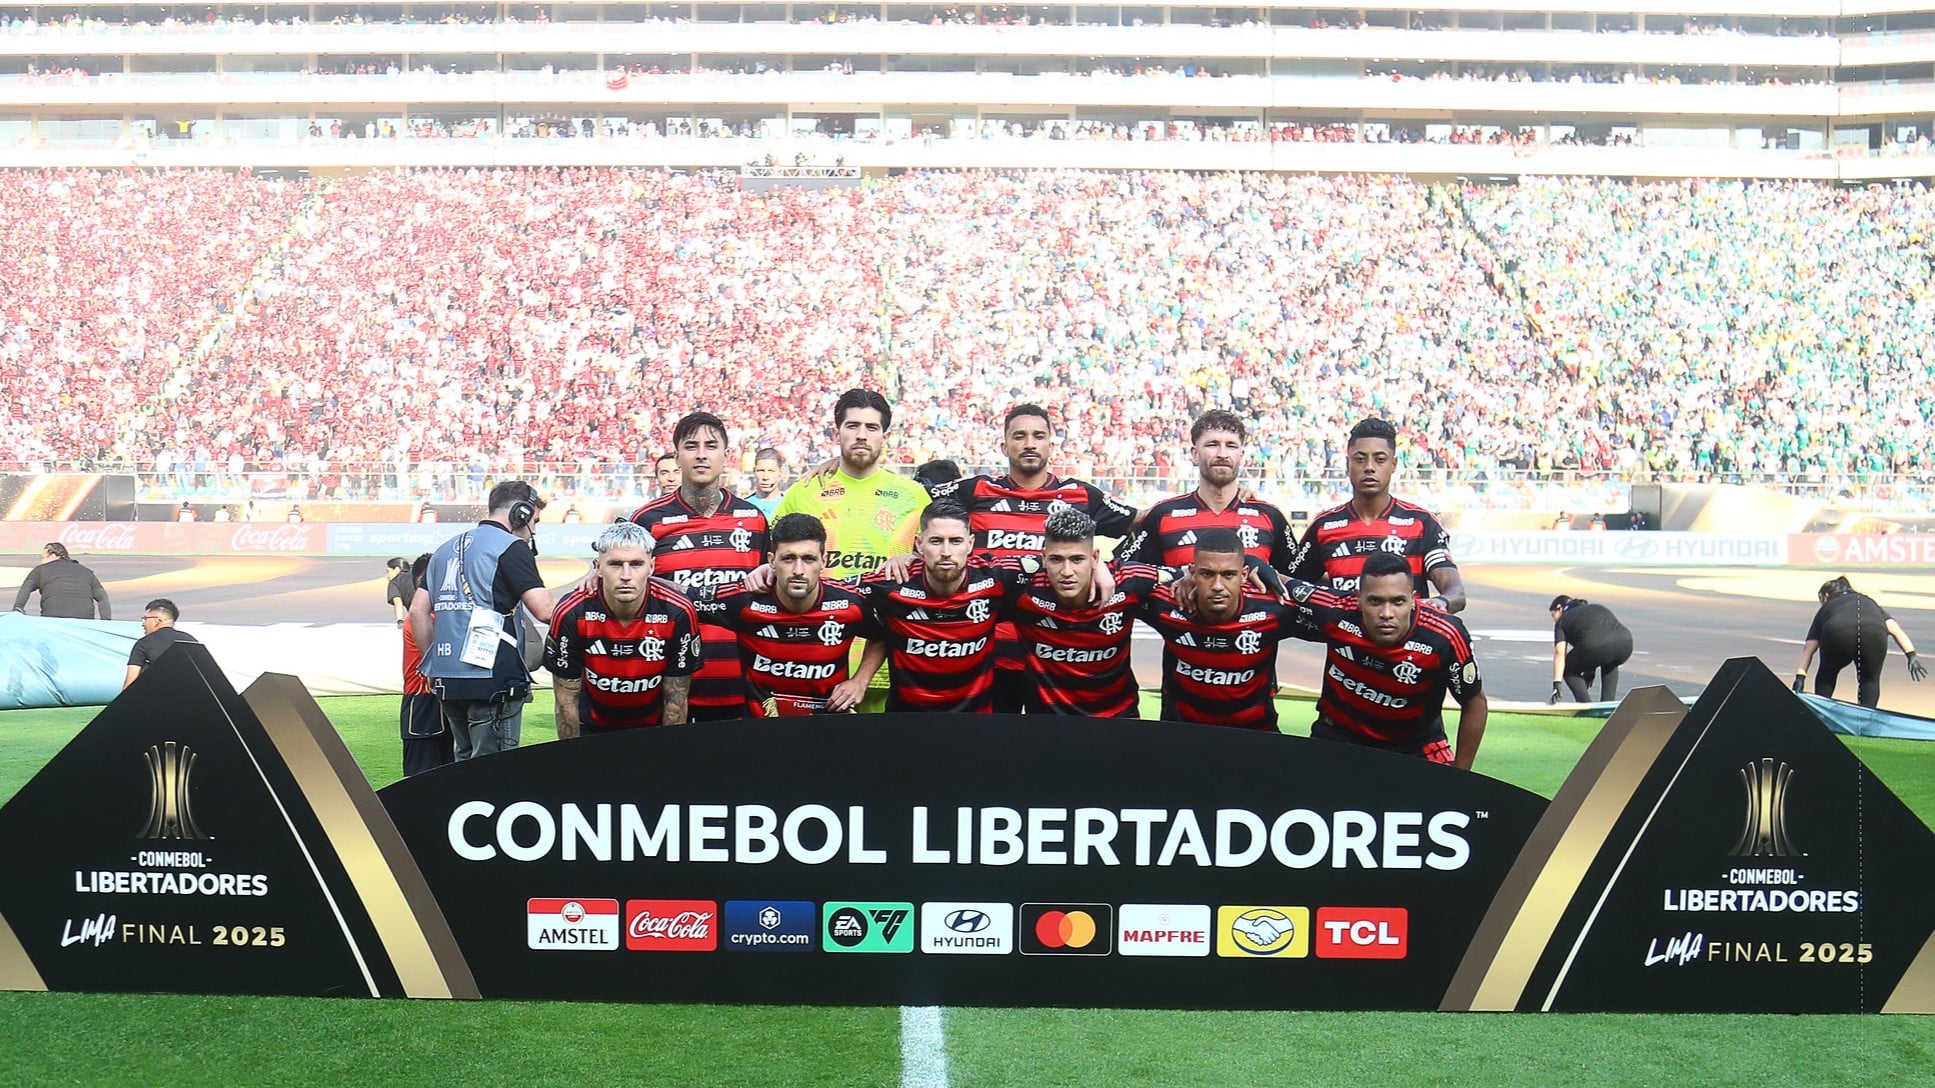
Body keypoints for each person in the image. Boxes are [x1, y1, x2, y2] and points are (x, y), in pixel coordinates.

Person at [926, 404, 1139, 712]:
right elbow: (914, 502)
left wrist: (1105, 564)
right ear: (1004, 445)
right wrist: (907, 554)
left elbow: (1141, 522)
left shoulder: (1081, 495)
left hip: (1054, 655)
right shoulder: (975, 491)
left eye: (1038, 436)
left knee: (1049, 752)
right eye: (1019, 436)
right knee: (994, 751)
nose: (1029, 443)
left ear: (1051, 444)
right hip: (991, 653)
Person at [1281, 551, 1488, 768]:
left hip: (1415, 747)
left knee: (1448, 801)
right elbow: (1281, 580)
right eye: (1375, 601)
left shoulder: (1446, 635)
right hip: (1337, 738)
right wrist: (1256, 563)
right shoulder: (1335, 609)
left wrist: (1461, 775)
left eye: (1398, 601)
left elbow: (1474, 701)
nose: (1386, 613)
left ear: (1413, 599)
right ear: (1358, 598)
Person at [626, 412, 769, 722]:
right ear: (676, 455)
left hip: (742, 691)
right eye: (691, 446)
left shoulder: (755, 519)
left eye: (711, 446)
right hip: (667, 694)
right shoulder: (647, 520)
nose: (702, 454)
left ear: (726, 455)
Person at [409, 480, 556, 760]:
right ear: (520, 514)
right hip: (494, 678)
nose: (534, 530)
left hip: (447, 677)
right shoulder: (510, 547)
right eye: (534, 521)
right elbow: (545, 610)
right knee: (493, 770)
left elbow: (417, 611)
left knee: (463, 761)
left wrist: (433, 660)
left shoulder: (444, 549)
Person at [849, 500, 1023, 713]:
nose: (946, 552)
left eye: (956, 541)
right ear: (919, 545)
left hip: (976, 723)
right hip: (907, 721)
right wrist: (859, 680)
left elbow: (1056, 568)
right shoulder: (891, 583)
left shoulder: (997, 578)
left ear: (970, 544)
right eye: (936, 541)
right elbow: (827, 592)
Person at [698, 513, 874, 716]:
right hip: (761, 732)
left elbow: (882, 633)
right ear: (772, 561)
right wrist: (650, 571)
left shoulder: (851, 603)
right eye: (788, 558)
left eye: (809, 559)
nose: (798, 570)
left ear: (824, 561)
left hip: (827, 730)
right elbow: (680, 599)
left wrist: (860, 681)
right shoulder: (744, 601)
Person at [1136, 527, 1304, 731]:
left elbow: (1336, 614)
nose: (1217, 585)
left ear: (1244, 575)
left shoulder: (1276, 608)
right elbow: (1117, 583)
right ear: (1192, 573)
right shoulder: (1165, 603)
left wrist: (1264, 566)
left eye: (1228, 575)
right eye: (1207, 574)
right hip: (1182, 735)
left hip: (1256, 737)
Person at [1290, 418, 1465, 612]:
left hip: (1409, 641)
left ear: (1394, 464)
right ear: (1348, 464)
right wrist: (1342, 596)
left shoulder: (1421, 523)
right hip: (1346, 642)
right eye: (1360, 459)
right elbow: (1295, 580)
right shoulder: (1324, 526)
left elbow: (1455, 592)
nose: (1369, 467)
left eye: (1380, 459)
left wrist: (1442, 603)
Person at [1007, 506, 1165, 718]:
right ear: (1043, 558)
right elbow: (967, 569)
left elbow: (1187, 575)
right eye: (1056, 559)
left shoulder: (1128, 581)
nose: (1067, 572)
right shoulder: (1023, 587)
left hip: (1118, 723)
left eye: (1077, 559)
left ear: (1094, 557)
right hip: (1046, 727)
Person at [547, 522, 701, 734]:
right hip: (592, 730)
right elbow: (566, 702)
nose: (626, 575)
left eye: (636, 564)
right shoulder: (571, 612)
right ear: (598, 567)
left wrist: (669, 756)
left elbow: (676, 698)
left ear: (652, 566)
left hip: (651, 732)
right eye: (615, 564)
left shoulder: (679, 612)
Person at [1121, 410, 1297, 574]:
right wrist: (1177, 578)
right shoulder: (1162, 515)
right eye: (1212, 445)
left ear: (1241, 455)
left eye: (1231, 446)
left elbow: (1298, 581)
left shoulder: (1270, 517)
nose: (1222, 454)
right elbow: (1125, 573)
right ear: (1195, 454)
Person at [1795, 576, 1925, 708]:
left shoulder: (1826, 608)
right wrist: (1911, 655)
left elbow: (1809, 648)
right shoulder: (1867, 601)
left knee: (1827, 674)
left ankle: (1821, 713)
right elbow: (1895, 630)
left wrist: (1800, 677)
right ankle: (1866, 718)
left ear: (1826, 595)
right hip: (1874, 632)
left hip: (1838, 633)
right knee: (1869, 680)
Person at [398, 553, 451, 775]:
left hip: (438, 700)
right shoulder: (420, 619)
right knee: (421, 776)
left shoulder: (430, 617)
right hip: (423, 702)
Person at [1549, 595, 1634, 704]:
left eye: (1553, 615)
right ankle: (1607, 704)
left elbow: (1560, 654)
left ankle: (1585, 705)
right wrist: (1590, 670)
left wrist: (1557, 685)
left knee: (1567, 668)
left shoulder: (1562, 621)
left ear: (1559, 608)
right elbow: (1596, 634)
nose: (1554, 619)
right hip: (1625, 644)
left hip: (1597, 647)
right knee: (1610, 663)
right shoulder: (1595, 608)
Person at [12, 542, 111, 620]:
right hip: (84, 620)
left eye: (42, 557)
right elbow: (103, 598)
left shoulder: (41, 570)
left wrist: (18, 608)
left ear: (54, 555)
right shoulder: (86, 571)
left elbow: (26, 587)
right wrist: (105, 621)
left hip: (53, 617)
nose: (41, 561)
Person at [124, 598, 200, 688]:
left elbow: (130, 681)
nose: (143, 624)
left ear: (157, 620)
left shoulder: (144, 643)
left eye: (145, 619)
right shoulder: (191, 641)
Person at [746, 447, 785, 517]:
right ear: (754, 471)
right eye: (761, 470)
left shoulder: (788, 505)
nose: (765, 477)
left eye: (771, 471)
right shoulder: (743, 506)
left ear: (780, 472)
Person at [384, 556, 414, 629]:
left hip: (418, 615)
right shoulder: (416, 575)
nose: (386, 576)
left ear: (397, 569)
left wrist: (400, 621)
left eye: (388, 572)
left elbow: (397, 602)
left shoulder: (394, 582)